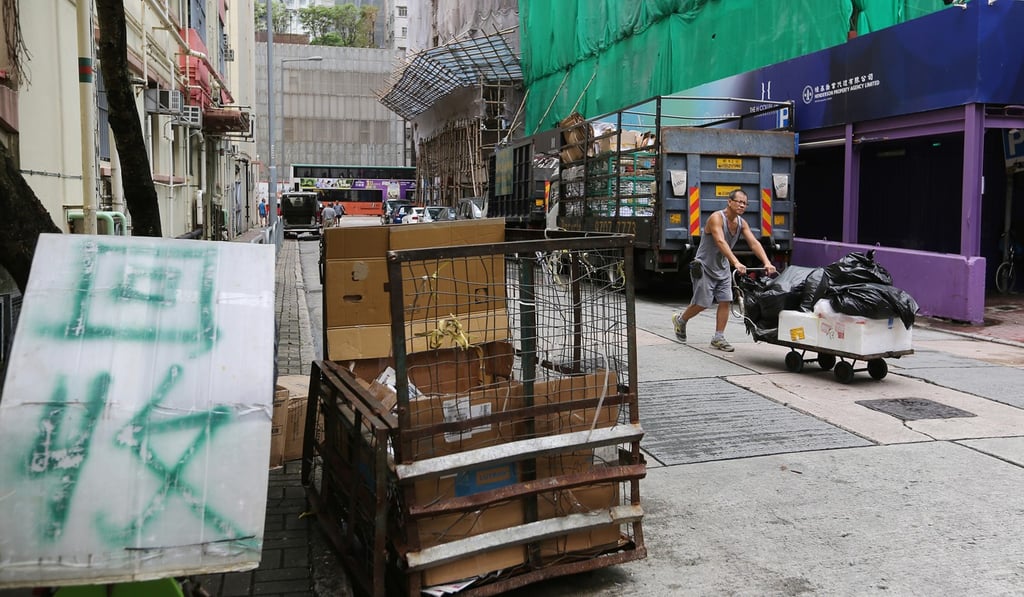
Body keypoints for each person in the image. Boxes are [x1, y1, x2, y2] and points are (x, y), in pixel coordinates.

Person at [671, 189, 776, 351]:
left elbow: (754, 243)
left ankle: (718, 337)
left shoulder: (741, 223)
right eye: (739, 201)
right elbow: (720, 241)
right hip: (704, 266)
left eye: (744, 203)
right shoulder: (716, 218)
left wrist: (767, 261)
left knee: (725, 300)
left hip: (722, 267)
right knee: (702, 303)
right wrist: (735, 262)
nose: (742, 205)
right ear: (729, 202)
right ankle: (681, 319)